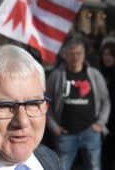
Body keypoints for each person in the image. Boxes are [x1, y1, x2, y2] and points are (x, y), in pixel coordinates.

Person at [46, 39, 110, 170]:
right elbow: (46, 103)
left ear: (84, 55)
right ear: (65, 55)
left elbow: (105, 100)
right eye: (72, 53)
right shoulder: (56, 75)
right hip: (65, 133)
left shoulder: (94, 75)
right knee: (61, 167)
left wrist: (101, 123)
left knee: (94, 166)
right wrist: (54, 127)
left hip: (90, 132)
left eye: (79, 53)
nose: (75, 57)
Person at [98, 42, 115, 170]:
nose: (107, 57)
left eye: (110, 54)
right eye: (105, 54)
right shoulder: (98, 73)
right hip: (103, 123)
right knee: (105, 159)